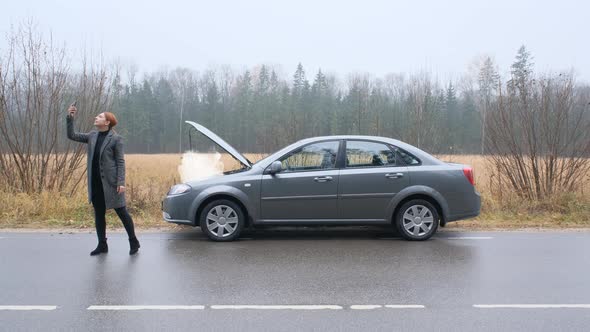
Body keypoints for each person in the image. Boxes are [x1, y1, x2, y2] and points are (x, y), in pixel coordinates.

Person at [66, 104, 140, 256]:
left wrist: (121, 182)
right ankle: (102, 245)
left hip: (112, 183)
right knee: (99, 214)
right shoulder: (92, 136)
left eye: (99, 117)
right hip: (96, 182)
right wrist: (70, 118)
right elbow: (72, 135)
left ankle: (133, 241)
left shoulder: (116, 139)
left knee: (122, 212)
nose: (96, 118)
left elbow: (120, 162)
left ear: (107, 122)